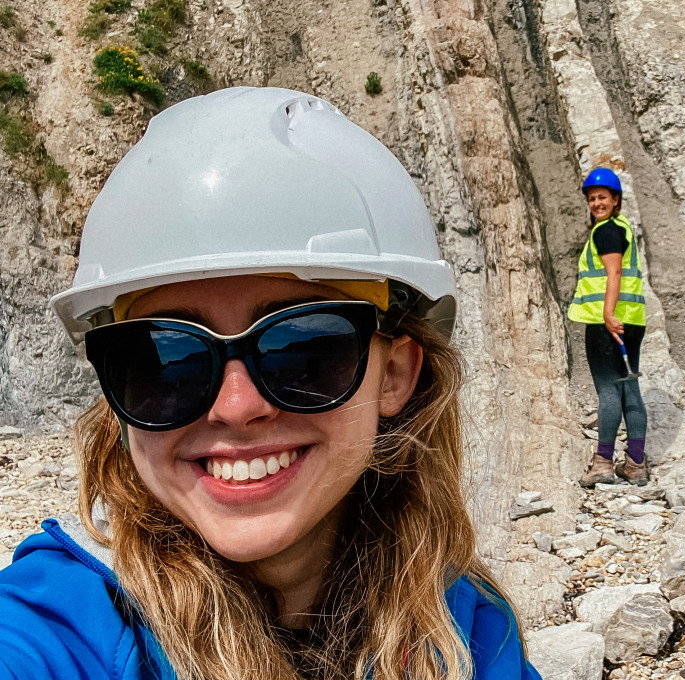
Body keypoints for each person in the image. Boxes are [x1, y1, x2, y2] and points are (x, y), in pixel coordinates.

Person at [0, 87, 540, 680]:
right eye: (166, 360)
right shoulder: (58, 625)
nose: (237, 407)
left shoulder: (468, 632)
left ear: (394, 374)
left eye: (304, 351)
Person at [567, 168, 648, 487]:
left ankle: (602, 463)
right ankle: (636, 464)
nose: (597, 203)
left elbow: (613, 274)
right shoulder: (623, 227)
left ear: (616, 200)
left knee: (609, 391)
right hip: (632, 319)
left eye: (603, 197)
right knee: (630, 387)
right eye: (592, 198)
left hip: (608, 322)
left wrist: (609, 313)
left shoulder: (606, 231)